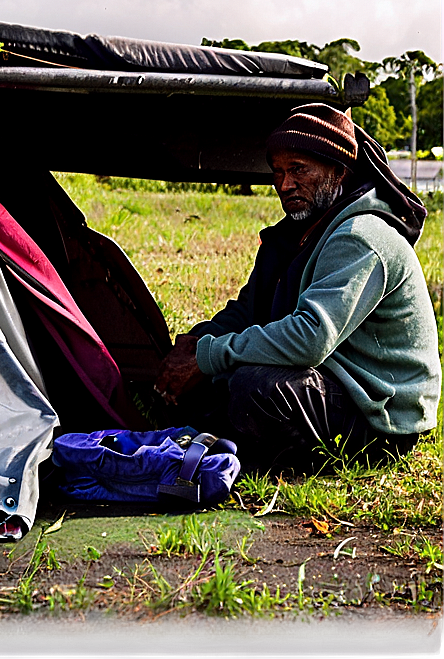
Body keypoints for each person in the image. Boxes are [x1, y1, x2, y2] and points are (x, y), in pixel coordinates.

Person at [154, 103, 440, 472]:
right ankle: (218, 444)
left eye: (298, 170)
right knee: (207, 379)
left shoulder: (360, 236)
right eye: (278, 172)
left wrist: (209, 356)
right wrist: (192, 347)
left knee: (253, 385)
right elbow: (248, 311)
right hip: (330, 381)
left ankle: (251, 460)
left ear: (338, 171)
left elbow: (309, 338)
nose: (285, 185)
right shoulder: (294, 237)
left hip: (378, 416)